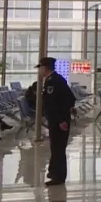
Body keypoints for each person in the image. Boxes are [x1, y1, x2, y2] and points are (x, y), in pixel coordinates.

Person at [38, 57, 76, 187]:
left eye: (40, 68)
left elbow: (52, 104)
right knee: (56, 147)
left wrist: (61, 120)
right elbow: (71, 98)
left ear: (45, 68)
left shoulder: (53, 82)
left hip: (58, 120)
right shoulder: (56, 79)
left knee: (58, 148)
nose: (40, 71)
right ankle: (53, 171)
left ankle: (59, 176)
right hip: (58, 119)